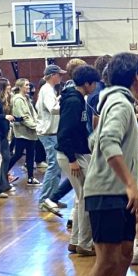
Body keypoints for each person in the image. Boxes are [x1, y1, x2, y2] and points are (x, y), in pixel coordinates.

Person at [67, 52, 138, 276]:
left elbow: (96, 139)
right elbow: (108, 143)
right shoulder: (119, 102)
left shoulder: (116, 102)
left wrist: (133, 167)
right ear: (135, 76)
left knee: (125, 255)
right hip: (106, 194)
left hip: (117, 193)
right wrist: (130, 183)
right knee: (105, 262)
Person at [58, 65, 101, 256]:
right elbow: (64, 132)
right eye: (94, 83)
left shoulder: (77, 99)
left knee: (81, 198)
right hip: (71, 155)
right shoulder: (74, 101)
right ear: (87, 83)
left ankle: (76, 241)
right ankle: (84, 242)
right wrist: (72, 159)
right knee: (86, 198)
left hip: (75, 153)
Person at [36, 64, 67, 213]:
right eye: (59, 74)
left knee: (57, 165)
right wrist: (67, 105)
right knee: (53, 165)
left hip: (51, 132)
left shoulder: (48, 90)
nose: (61, 77)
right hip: (48, 133)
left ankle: (53, 197)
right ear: (52, 75)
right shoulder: (47, 90)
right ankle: (44, 200)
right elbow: (53, 109)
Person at [10, 78, 40, 186]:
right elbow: (23, 117)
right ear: (20, 87)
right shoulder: (18, 99)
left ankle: (31, 178)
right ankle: (3, 174)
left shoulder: (26, 98)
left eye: (28, 85)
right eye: (26, 85)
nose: (28, 87)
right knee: (17, 154)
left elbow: (32, 113)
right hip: (22, 133)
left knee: (31, 155)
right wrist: (35, 126)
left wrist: (37, 124)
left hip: (30, 132)